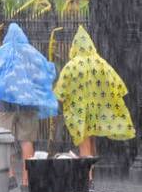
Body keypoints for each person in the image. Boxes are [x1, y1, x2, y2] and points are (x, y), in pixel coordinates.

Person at [0, 23, 59, 190]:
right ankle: (27, 181)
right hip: (28, 103)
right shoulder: (31, 52)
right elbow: (47, 71)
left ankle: (10, 176)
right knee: (27, 141)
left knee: (4, 140)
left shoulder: (2, 52)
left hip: (7, 102)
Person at [53, 25, 135, 165]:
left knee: (83, 140)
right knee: (91, 139)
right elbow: (118, 86)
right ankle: (91, 170)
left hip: (79, 110)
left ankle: (88, 177)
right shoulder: (101, 63)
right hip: (96, 109)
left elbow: (60, 92)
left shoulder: (71, 66)